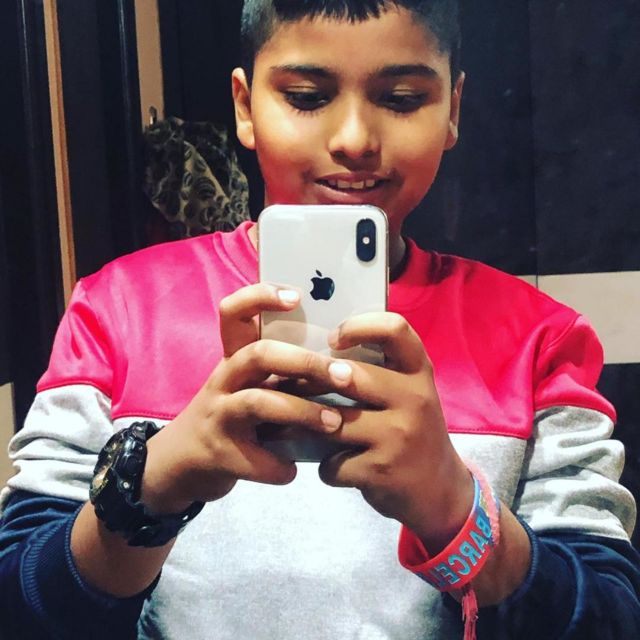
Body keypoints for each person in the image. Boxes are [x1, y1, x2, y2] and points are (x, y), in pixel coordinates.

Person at [1, 1, 639, 638]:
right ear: (246, 107)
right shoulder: (118, 310)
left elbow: (609, 618)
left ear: (453, 110)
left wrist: (455, 510)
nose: (355, 139)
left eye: (402, 98)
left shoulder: (539, 339)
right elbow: (18, 604)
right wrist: (150, 488)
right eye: (307, 97)